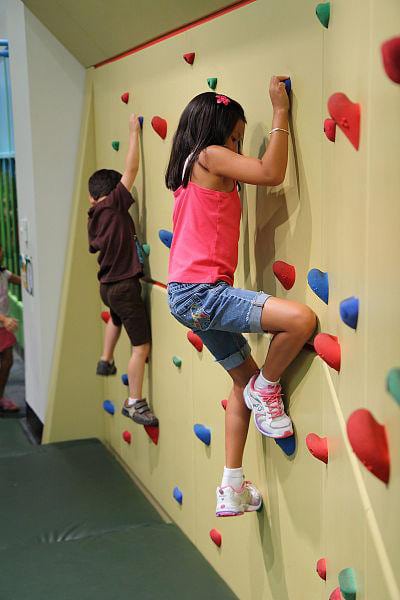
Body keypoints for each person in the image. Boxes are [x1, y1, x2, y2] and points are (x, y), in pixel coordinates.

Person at [165, 78, 316, 517]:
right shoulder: (209, 157)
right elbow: (271, 173)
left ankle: (232, 487)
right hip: (203, 293)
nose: (237, 147)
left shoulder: (188, 170)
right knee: (300, 320)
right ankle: (268, 387)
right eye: (235, 137)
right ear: (216, 133)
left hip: (186, 298)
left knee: (240, 382)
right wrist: (281, 112)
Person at [88, 113, 158, 427]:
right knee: (141, 346)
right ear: (114, 193)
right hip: (124, 287)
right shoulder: (113, 204)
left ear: (91, 196)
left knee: (115, 318)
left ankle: (105, 359)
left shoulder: (93, 214)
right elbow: (131, 169)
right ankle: (134, 401)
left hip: (106, 286)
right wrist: (133, 132)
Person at [0, 244, 21, 413]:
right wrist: (4, 319)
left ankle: (0, 398)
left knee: (8, 361)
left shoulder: (3, 273)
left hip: (3, 327)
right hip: (2, 322)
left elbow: (22, 281)